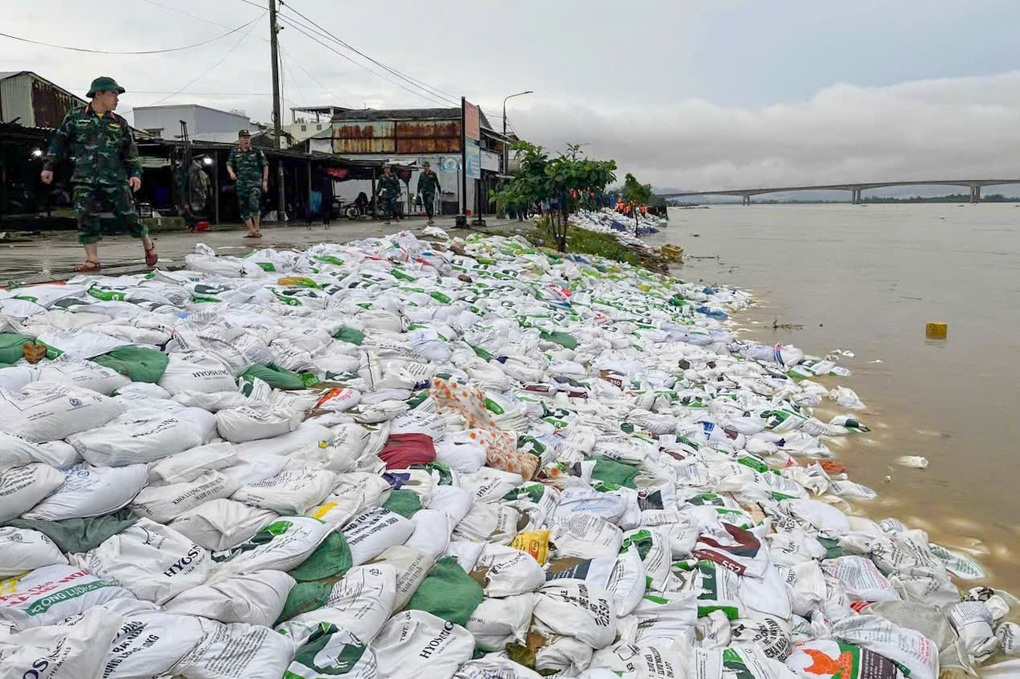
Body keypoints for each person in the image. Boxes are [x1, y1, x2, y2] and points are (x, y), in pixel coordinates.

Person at [41, 76, 157, 272]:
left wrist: (135, 173)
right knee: (85, 217)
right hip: (84, 177)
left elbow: (130, 151)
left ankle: (148, 245)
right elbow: (58, 142)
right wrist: (48, 166)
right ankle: (92, 260)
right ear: (99, 94)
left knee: (128, 215)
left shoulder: (119, 123)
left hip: (115, 177)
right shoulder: (75, 117)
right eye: (113, 94)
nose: (117, 99)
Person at [226, 129, 268, 238]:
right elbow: (229, 163)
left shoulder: (256, 151)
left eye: (248, 138)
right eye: (244, 138)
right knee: (244, 208)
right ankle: (252, 231)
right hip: (241, 184)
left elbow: (265, 165)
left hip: (254, 183)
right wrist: (231, 173)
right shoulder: (235, 152)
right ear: (239, 139)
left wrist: (265, 181)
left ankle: (257, 228)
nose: (246, 140)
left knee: (254, 204)